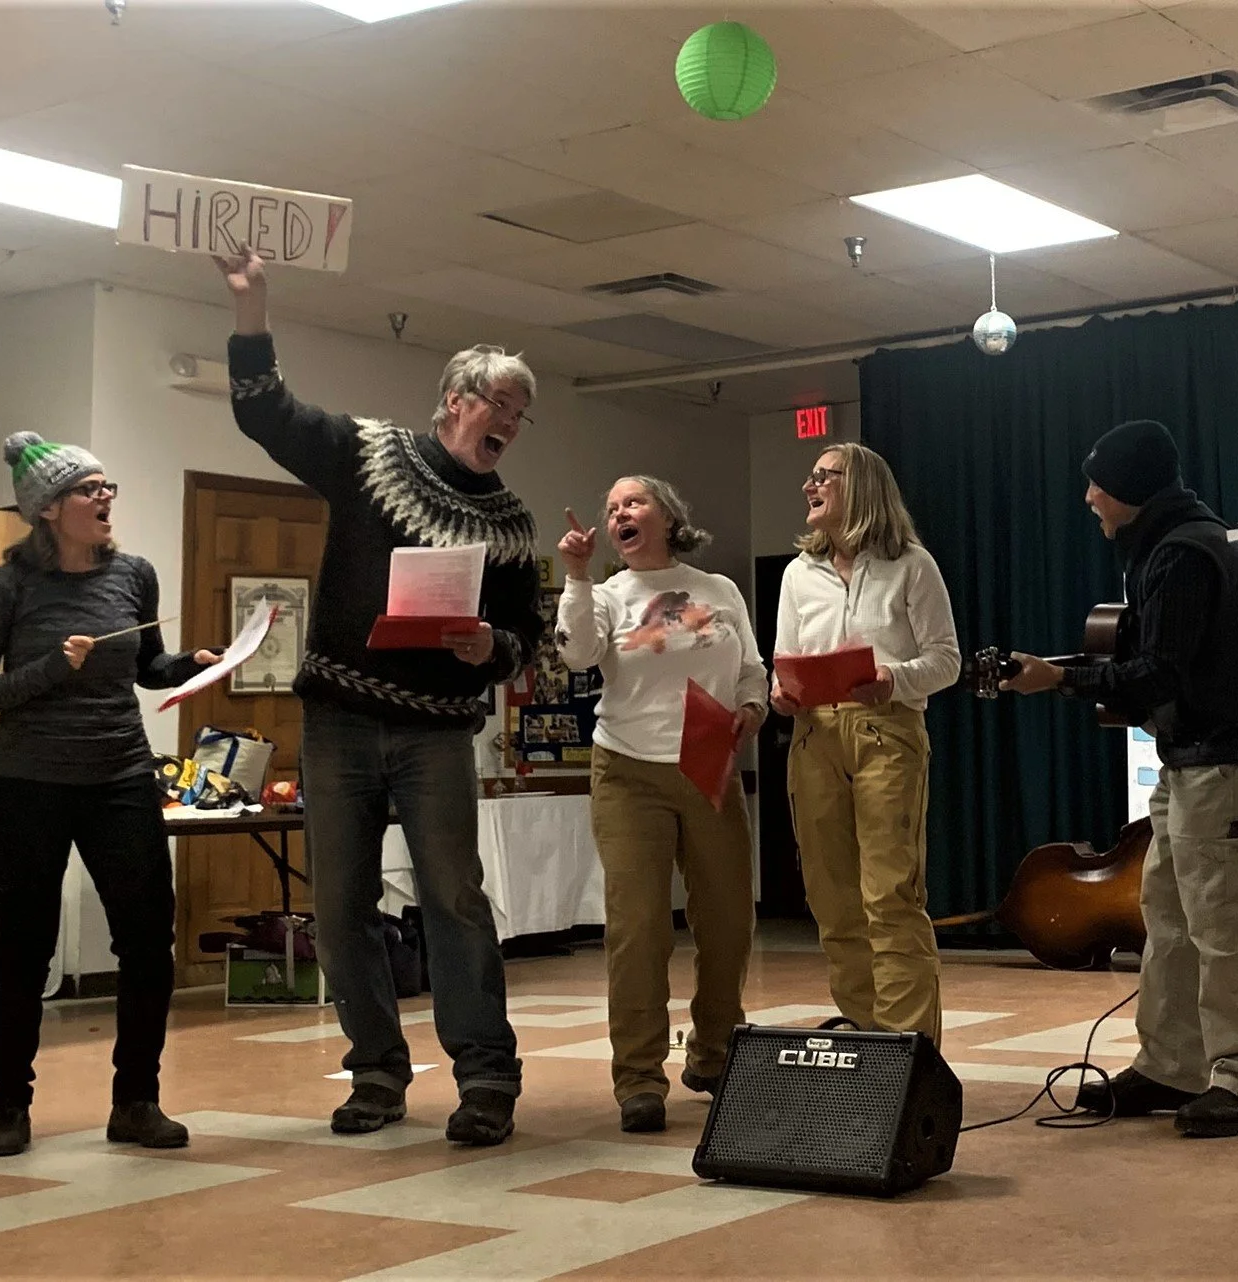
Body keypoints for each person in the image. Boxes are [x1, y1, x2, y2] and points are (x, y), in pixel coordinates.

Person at [215, 247, 543, 1146]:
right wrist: (253, 310)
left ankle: (485, 1080)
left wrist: (490, 645)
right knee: (342, 903)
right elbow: (266, 415)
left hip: (438, 734)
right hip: (340, 722)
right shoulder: (369, 454)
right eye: (498, 402)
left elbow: (527, 643)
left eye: (520, 411)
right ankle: (375, 1074)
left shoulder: (510, 523)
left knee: (454, 899)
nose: (509, 420)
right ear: (454, 400)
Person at [1005, 420, 1238, 1139]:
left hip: (1232, 761)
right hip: (1198, 759)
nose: (1087, 498)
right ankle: (1172, 1064)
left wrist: (1060, 680)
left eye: (1098, 486)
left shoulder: (1183, 553)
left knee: (1227, 924)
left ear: (1131, 491)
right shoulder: (1180, 542)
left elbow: (1159, 671)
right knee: (1169, 917)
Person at [0, 433, 221, 1157]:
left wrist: (185, 666)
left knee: (146, 945)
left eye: (108, 486)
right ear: (48, 509)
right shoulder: (5, 588)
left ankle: (136, 1100)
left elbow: (144, 665)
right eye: (89, 489)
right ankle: (10, 1106)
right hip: (28, 783)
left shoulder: (133, 574)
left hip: (121, 779)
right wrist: (50, 669)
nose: (106, 498)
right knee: (25, 947)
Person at [554, 477, 766, 1133]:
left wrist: (754, 705)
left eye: (634, 503)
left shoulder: (719, 589)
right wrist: (579, 576)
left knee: (729, 921)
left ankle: (713, 1051)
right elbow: (578, 655)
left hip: (707, 764)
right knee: (639, 930)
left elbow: (750, 668)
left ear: (667, 516)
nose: (619, 512)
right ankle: (639, 1079)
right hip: (627, 770)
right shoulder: (608, 593)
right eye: (611, 506)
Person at [770, 443, 960, 1044]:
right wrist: (782, 693)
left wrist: (894, 679)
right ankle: (865, 1035)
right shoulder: (798, 573)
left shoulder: (911, 564)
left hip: (887, 731)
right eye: (811, 476)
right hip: (814, 735)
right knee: (833, 903)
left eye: (824, 476)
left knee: (890, 898)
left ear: (864, 488)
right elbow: (785, 662)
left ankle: (909, 1053)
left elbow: (947, 661)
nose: (810, 486)